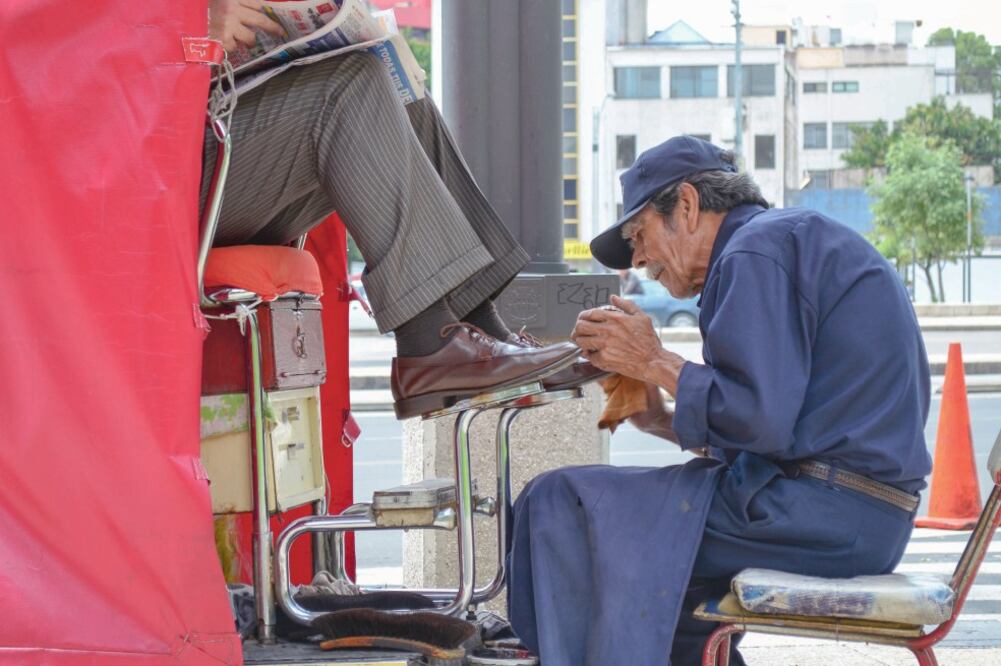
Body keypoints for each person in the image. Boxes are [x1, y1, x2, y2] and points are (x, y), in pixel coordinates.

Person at [506, 135, 932, 665]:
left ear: (686, 205)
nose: (637, 260)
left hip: (826, 513)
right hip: (850, 512)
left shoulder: (756, 251)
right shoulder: (777, 243)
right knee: (669, 590)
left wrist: (654, 361)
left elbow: (762, 422)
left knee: (559, 502)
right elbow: (770, 424)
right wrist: (659, 418)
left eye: (639, 236)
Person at [204, 0, 587, 419]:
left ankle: (477, 326)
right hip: (151, 184)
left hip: (205, 140)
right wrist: (188, 21)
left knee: (401, 90)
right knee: (349, 82)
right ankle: (428, 343)